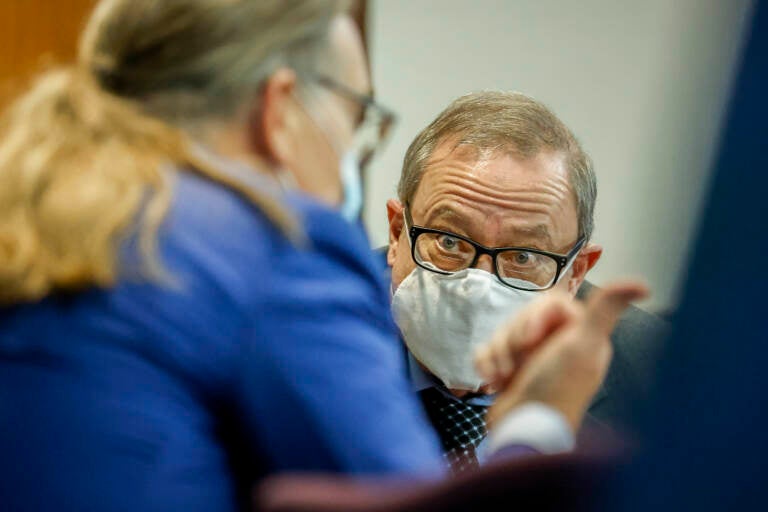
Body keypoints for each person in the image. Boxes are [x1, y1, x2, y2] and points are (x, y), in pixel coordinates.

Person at [0, 1, 644, 511]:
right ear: (280, 109)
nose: (354, 147)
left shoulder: (61, 214)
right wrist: (538, 418)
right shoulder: (272, 252)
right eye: (355, 111)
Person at [384, 91, 666, 472]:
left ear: (575, 272)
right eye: (450, 241)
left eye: (523, 257)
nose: (477, 286)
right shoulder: (313, 328)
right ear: (398, 232)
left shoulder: (655, 375)